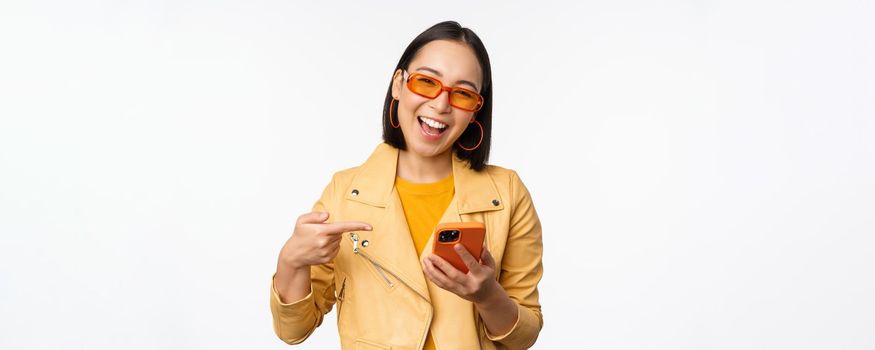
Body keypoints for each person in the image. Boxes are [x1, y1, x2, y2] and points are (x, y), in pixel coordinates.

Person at [270, 21, 544, 350]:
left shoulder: (507, 192)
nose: (441, 105)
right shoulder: (345, 192)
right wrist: (292, 261)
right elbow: (294, 330)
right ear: (398, 85)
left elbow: (524, 336)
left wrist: (487, 295)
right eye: (427, 82)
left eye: (462, 93)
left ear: (475, 111)